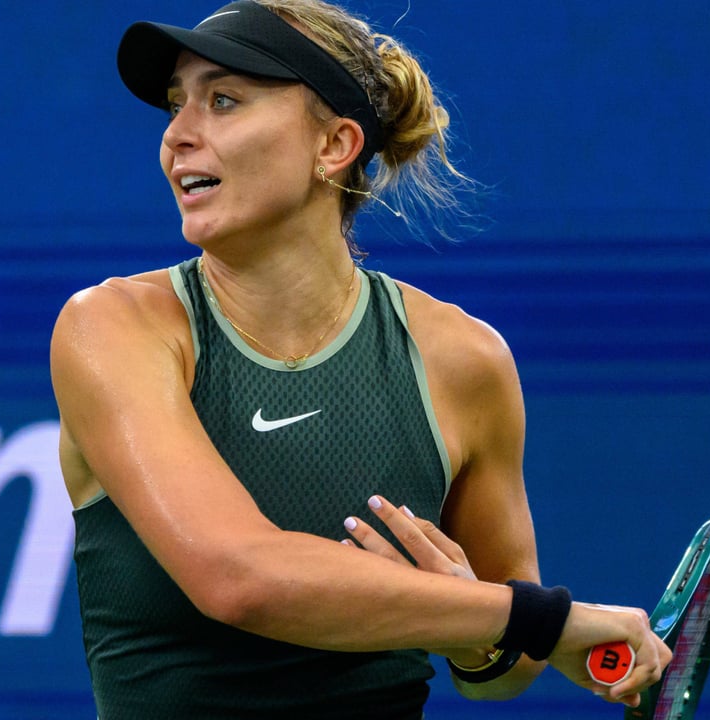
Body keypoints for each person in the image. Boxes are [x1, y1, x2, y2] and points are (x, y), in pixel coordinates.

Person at [49, 1, 671, 718]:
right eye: (174, 105)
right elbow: (236, 578)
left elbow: (504, 670)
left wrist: (477, 632)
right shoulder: (113, 328)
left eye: (222, 101)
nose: (177, 135)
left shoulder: (465, 361)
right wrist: (533, 619)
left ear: (334, 144)